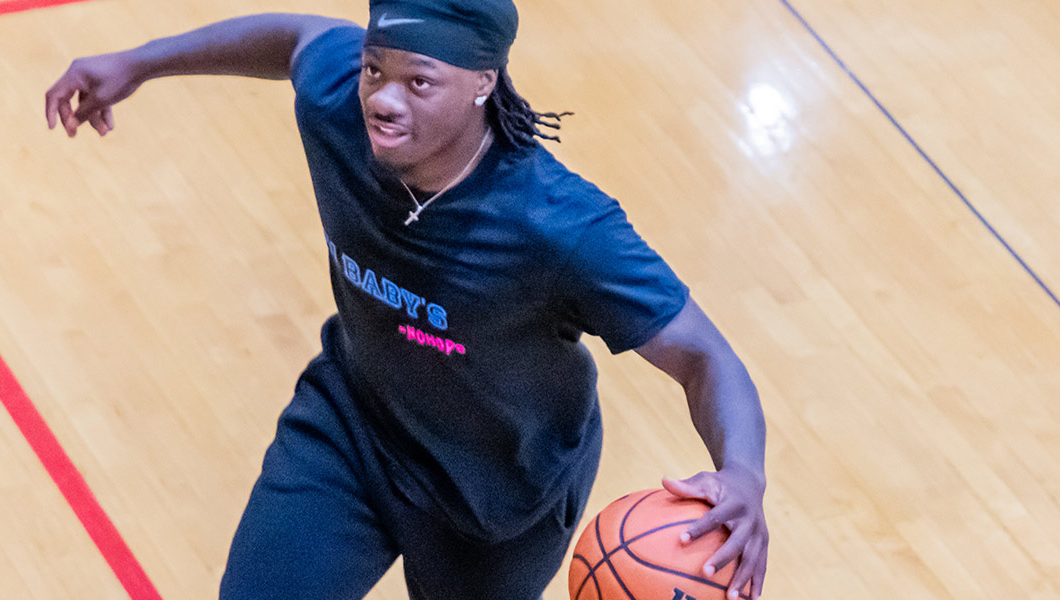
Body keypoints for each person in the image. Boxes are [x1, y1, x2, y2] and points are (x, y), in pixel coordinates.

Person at [42, 1, 770, 597]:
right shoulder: (339, 104)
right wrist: (141, 62)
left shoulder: (560, 227)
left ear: (483, 80)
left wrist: (741, 474)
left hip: (498, 498)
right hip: (354, 431)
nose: (383, 99)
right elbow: (298, 38)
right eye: (374, 70)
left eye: (418, 82)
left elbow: (705, 356)